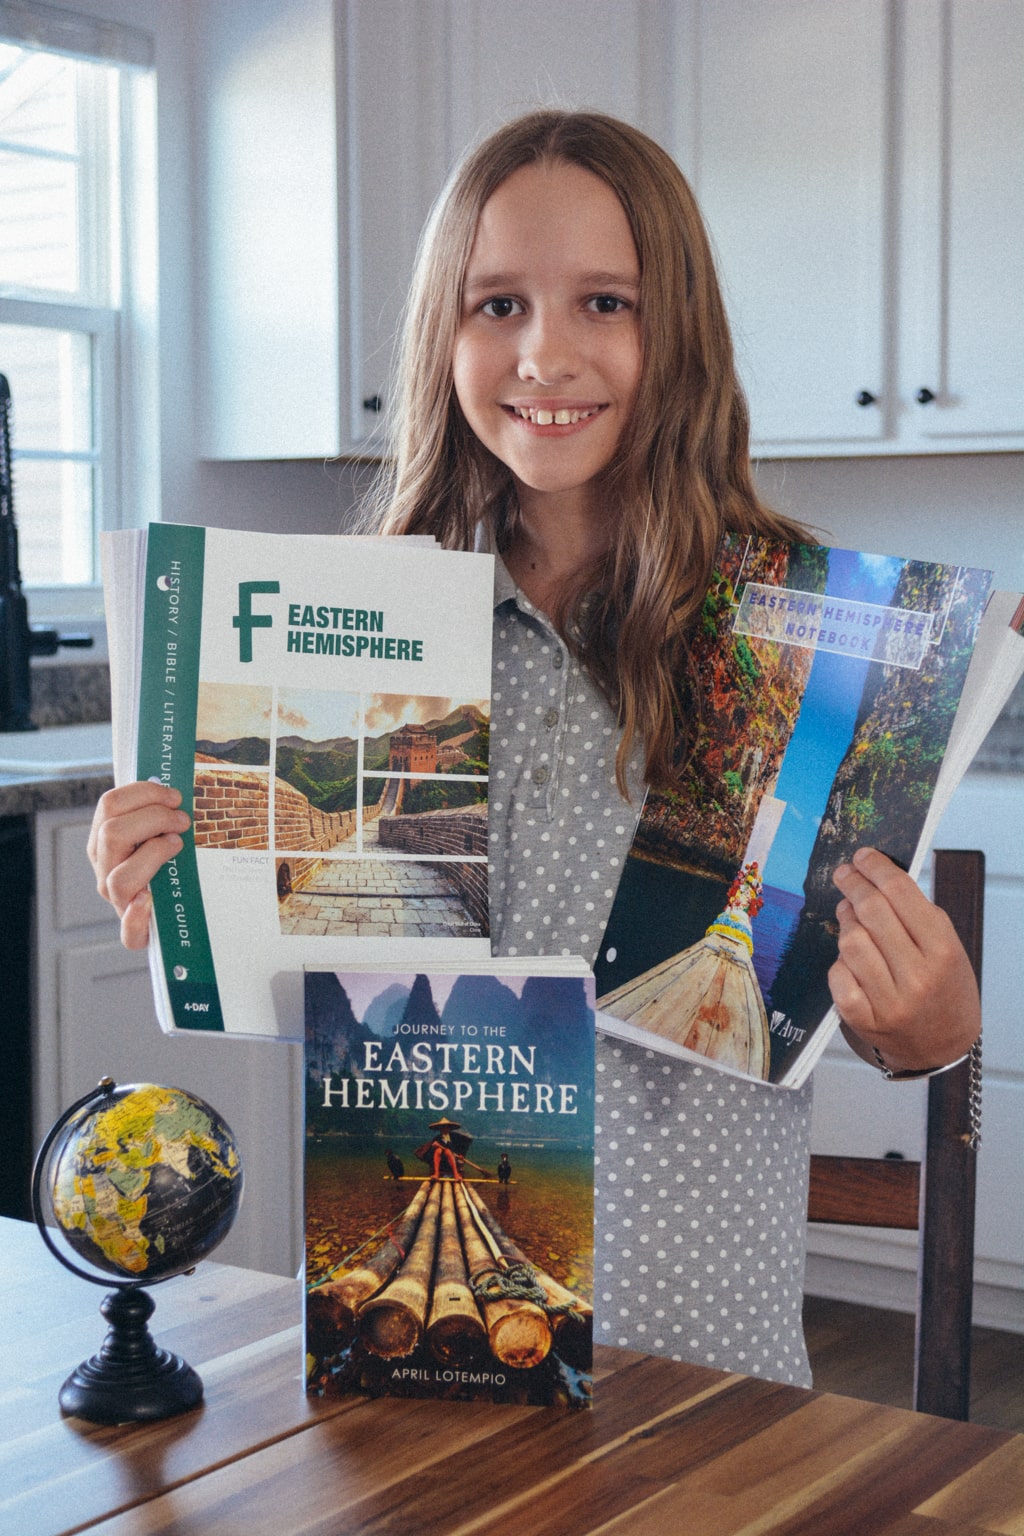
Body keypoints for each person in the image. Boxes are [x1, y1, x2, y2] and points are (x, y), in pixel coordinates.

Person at [87, 110, 980, 1386]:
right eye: (495, 303)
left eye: (604, 301)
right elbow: (317, 997)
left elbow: (872, 1022)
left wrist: (934, 1032)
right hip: (401, 1337)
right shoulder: (362, 631)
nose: (544, 353)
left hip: (696, 1364)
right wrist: (186, 889)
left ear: (678, 330)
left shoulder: (792, 632)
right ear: (441, 337)